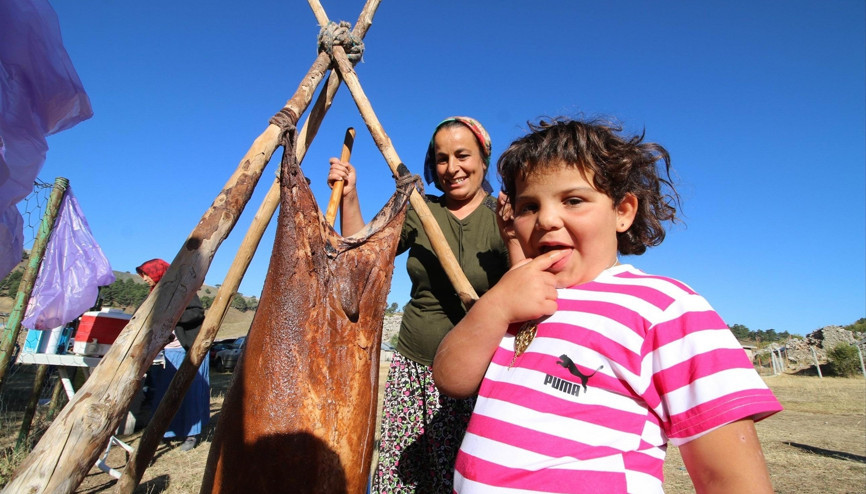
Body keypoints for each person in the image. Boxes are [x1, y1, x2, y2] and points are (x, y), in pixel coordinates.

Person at [433, 117, 783, 493]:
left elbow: (729, 478)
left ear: (623, 211)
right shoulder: (517, 300)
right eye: (528, 206)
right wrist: (496, 305)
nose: (547, 220)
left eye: (573, 200)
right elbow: (451, 378)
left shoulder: (664, 308)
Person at [328, 117, 510, 492]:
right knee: (405, 479)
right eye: (441, 159)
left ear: (483, 159)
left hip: (480, 373)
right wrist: (349, 195)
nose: (452, 168)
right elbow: (363, 252)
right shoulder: (421, 209)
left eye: (463, 155)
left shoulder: (502, 215)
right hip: (414, 369)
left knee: (468, 477)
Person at [136, 258, 209, 452]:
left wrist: (172, 315)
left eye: (146, 274)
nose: (144, 279)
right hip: (166, 352)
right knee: (163, 394)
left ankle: (192, 434)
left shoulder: (183, 289)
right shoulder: (154, 296)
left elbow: (197, 314)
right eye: (143, 275)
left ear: (157, 272)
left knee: (189, 393)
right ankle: (166, 431)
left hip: (188, 350)